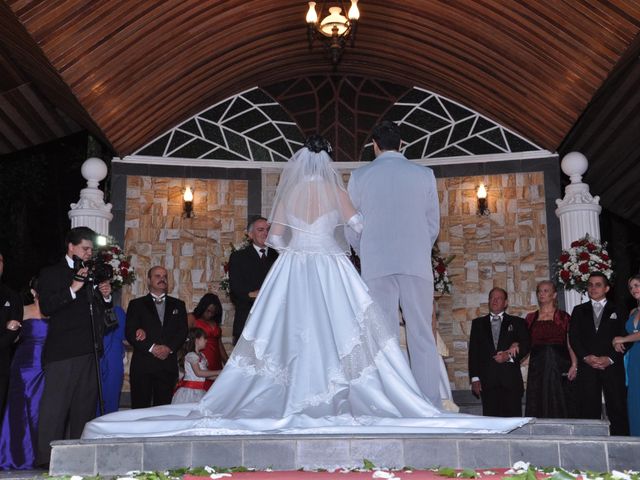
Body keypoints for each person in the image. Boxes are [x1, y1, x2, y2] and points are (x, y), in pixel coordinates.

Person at [82, 135, 529, 439]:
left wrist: (299, 240)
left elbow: (275, 237)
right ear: (328, 163)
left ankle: (282, 391)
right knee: (346, 330)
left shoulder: (291, 194)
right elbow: (359, 227)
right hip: (332, 265)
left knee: (287, 331)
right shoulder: (337, 193)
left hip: (295, 267)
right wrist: (341, 238)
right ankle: (365, 394)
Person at [346, 120, 442, 405]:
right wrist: (418, 248)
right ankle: (428, 403)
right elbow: (432, 224)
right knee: (422, 333)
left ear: (374, 145)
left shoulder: (360, 175)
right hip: (415, 262)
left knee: (383, 334)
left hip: (377, 262)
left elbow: (352, 226)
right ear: (402, 144)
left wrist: (366, 251)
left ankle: (387, 401)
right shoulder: (424, 174)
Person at [36, 227, 112, 467]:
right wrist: (73, 288)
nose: (89, 253)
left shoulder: (91, 274)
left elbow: (99, 313)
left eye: (91, 249)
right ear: (71, 246)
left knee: (84, 408)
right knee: (55, 409)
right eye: (85, 248)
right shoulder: (52, 273)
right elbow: (46, 307)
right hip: (62, 352)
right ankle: (47, 461)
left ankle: (78, 460)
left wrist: (106, 296)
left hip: (89, 350)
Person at [569, 272, 629, 435]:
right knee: (587, 410)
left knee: (617, 409)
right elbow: (573, 337)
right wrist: (586, 357)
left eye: (598, 284)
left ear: (607, 288)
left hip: (612, 367)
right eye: (590, 285)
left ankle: (621, 449)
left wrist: (610, 358)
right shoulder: (579, 310)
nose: (593, 288)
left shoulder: (619, 309)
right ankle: (589, 449)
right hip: (587, 367)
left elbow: (626, 337)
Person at [125, 266, 188, 409]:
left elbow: (182, 331)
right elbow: (130, 332)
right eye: (157, 276)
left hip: (167, 366)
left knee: (164, 410)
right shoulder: (136, 304)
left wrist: (169, 348)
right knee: (140, 409)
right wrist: (152, 348)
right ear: (148, 280)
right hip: (143, 366)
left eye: (164, 276)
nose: (162, 279)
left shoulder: (178, 304)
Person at [0, 277, 46, 470]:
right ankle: (15, 455)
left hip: (46, 367)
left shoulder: (55, 312)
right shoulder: (23, 309)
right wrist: (9, 328)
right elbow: (12, 335)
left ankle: (41, 455)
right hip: (23, 365)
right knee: (19, 410)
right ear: (34, 292)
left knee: (40, 410)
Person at [468, 287, 531, 417]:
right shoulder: (478, 324)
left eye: (499, 298)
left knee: (513, 421)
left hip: (511, 382)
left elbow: (526, 345)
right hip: (487, 383)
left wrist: (508, 356)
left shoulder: (518, 322)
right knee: (491, 423)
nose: (495, 301)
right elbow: (474, 353)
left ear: (506, 303)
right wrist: (474, 378)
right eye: (492, 298)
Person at [524, 280, 577, 418]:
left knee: (559, 398)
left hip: (559, 364)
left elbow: (570, 343)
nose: (542, 294)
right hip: (538, 367)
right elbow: (524, 343)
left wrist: (574, 364)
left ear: (554, 295)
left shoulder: (564, 317)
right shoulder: (530, 318)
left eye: (546, 291)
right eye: (539, 291)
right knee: (538, 398)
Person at [228, 217, 278, 344]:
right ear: (250, 234)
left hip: (274, 323)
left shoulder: (279, 257)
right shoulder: (239, 257)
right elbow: (236, 290)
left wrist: (258, 294)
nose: (265, 233)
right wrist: (251, 295)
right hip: (248, 320)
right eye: (260, 230)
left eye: (268, 229)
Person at [612, 274, 640, 436]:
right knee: (635, 402)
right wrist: (621, 342)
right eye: (631, 287)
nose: (633, 290)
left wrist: (623, 338)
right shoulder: (633, 311)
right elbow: (632, 334)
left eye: (637, 285)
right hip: (634, 359)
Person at [0, 251, 23, 416]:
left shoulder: (11, 295)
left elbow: (15, 331)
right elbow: (8, 329)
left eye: (0, 260)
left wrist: (8, 332)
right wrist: (5, 327)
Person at [172, 328, 220, 404]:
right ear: (197, 340)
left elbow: (206, 375)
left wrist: (222, 376)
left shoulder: (202, 356)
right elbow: (199, 373)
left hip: (199, 391)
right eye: (204, 338)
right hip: (189, 392)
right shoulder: (191, 355)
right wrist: (218, 372)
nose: (206, 341)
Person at [190, 293, 227, 389]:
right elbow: (185, 339)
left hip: (216, 359)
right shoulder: (193, 319)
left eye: (213, 312)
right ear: (203, 307)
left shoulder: (214, 322)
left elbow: (220, 345)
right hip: (202, 358)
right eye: (208, 311)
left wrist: (228, 363)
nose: (210, 314)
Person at [99, 305, 126, 415]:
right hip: (91, 360)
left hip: (112, 361)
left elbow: (126, 337)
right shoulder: (84, 309)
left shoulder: (117, 311)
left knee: (111, 399)